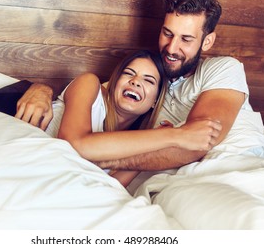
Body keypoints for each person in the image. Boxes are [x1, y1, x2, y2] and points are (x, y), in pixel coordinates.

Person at [15, 0, 264, 173]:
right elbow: (97, 92)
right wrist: (41, 88)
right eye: (167, 33)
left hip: (251, 163)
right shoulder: (154, 83)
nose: (172, 48)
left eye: (186, 39)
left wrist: (110, 163)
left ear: (207, 42)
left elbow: (199, 142)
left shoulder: (223, 69)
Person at [41, 50, 221, 186]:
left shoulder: (134, 142)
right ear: (115, 82)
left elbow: (108, 186)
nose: (135, 81)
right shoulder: (89, 85)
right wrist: (177, 135)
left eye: (149, 80)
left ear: (155, 101)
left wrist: (150, 151)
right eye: (128, 73)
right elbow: (74, 145)